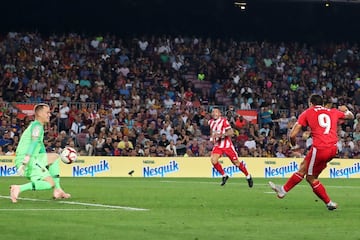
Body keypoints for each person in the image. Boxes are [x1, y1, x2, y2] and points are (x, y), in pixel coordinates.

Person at [269, 94, 354, 210]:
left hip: (320, 148)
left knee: (309, 177)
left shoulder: (307, 112)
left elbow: (293, 134)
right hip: (334, 149)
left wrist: (293, 145)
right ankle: (284, 190)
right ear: (322, 103)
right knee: (306, 170)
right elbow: (351, 116)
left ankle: (283, 191)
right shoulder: (332, 111)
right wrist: (346, 110)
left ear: (310, 103)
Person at [10, 103, 71, 203]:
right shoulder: (37, 126)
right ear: (39, 114)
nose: (49, 115)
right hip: (28, 160)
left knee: (55, 157)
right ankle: (19, 188)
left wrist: (46, 161)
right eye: (47, 112)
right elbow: (33, 143)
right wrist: (25, 163)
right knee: (49, 183)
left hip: (34, 158)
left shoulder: (38, 127)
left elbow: (40, 145)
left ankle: (58, 190)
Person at [208, 107, 253, 187]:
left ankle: (248, 176)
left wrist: (222, 135)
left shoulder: (224, 121)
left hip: (227, 145)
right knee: (213, 160)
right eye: (213, 112)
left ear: (219, 114)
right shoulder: (210, 122)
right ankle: (224, 175)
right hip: (218, 145)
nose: (214, 113)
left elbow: (231, 132)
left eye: (216, 112)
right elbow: (212, 131)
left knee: (236, 163)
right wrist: (212, 138)